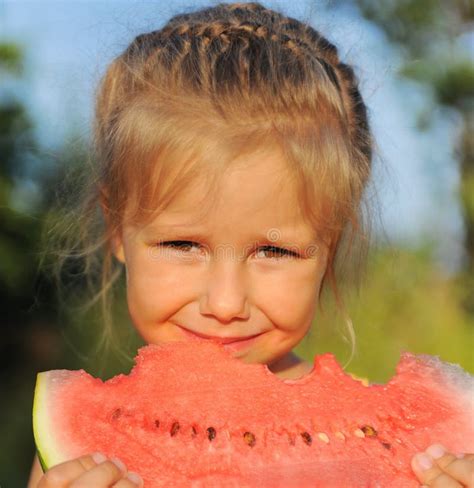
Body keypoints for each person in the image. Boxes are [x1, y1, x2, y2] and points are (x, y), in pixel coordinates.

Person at [29, 2, 473, 487]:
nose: (225, 303)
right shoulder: (90, 460)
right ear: (116, 229)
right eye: (183, 245)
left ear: (330, 247)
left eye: (274, 251)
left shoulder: (413, 454)